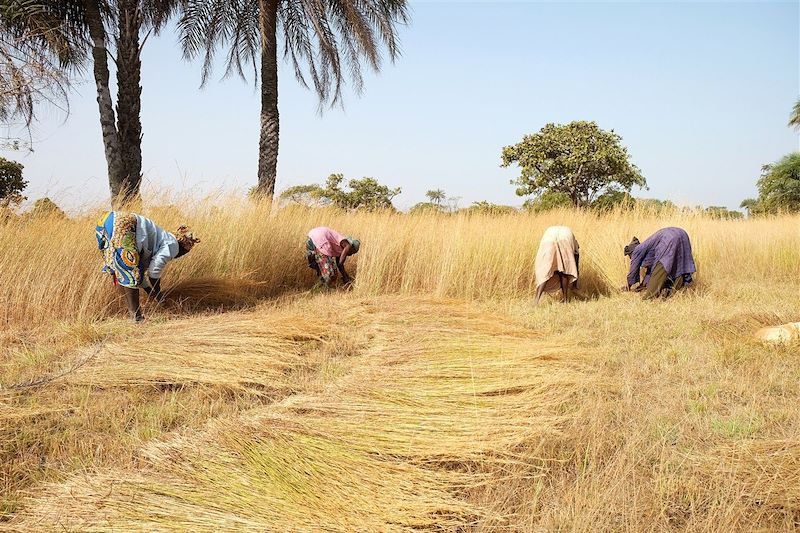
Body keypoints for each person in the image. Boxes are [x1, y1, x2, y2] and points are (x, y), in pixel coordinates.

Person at [95, 211, 200, 321]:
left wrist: (150, 292)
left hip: (105, 222)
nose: (179, 256)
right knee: (130, 272)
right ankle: (137, 317)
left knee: (119, 271)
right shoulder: (173, 245)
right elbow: (154, 270)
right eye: (183, 253)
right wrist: (158, 293)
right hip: (123, 224)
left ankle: (132, 314)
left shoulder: (159, 239)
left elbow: (141, 276)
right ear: (182, 249)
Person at [623, 227, 696, 299]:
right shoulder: (646, 249)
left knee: (661, 271)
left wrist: (628, 286)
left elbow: (633, 271)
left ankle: (649, 299)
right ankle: (673, 294)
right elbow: (650, 271)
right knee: (679, 265)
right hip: (683, 234)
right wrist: (643, 285)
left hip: (669, 239)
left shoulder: (636, 251)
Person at [534, 226, 580, 304]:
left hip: (549, 239)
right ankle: (565, 300)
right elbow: (576, 256)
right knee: (564, 270)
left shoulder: (549, 231)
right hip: (565, 238)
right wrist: (574, 281)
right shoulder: (574, 241)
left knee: (545, 270)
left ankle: (536, 301)